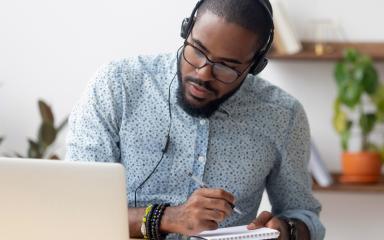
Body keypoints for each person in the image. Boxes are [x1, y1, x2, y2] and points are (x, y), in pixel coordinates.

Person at [66, 0, 325, 239]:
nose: (202, 73)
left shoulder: (283, 115)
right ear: (186, 30)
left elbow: (305, 217)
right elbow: (77, 208)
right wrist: (165, 218)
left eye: (227, 66)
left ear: (254, 66)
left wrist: (286, 231)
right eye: (197, 50)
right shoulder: (117, 86)